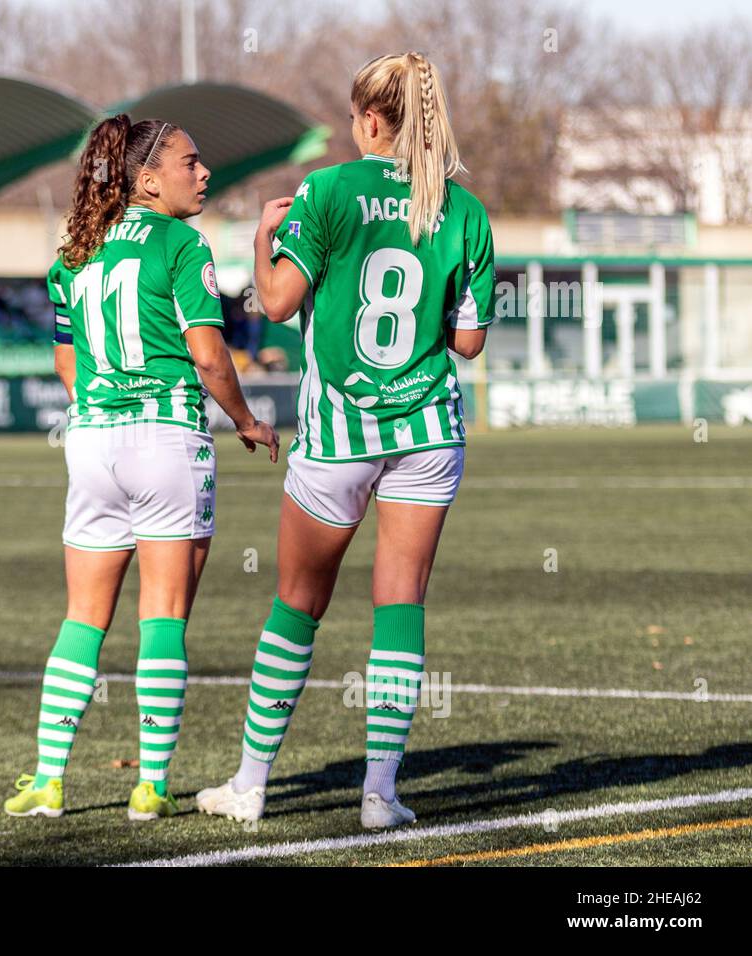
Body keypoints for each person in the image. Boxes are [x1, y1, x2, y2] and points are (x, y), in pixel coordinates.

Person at [196, 51, 495, 829]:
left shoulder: (322, 191)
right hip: (428, 430)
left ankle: (251, 785)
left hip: (340, 436)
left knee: (297, 603)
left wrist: (263, 239)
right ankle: (379, 794)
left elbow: (273, 301)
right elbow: (468, 344)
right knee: (401, 604)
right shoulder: (463, 210)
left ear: (368, 120)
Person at [4, 115, 279, 821]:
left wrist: (104, 405)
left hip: (93, 438)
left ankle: (47, 781)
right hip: (164, 439)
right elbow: (210, 354)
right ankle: (151, 786)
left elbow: (66, 362)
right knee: (163, 618)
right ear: (148, 179)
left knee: (82, 620)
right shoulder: (183, 243)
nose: (204, 173)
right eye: (191, 162)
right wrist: (246, 420)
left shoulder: (74, 252)